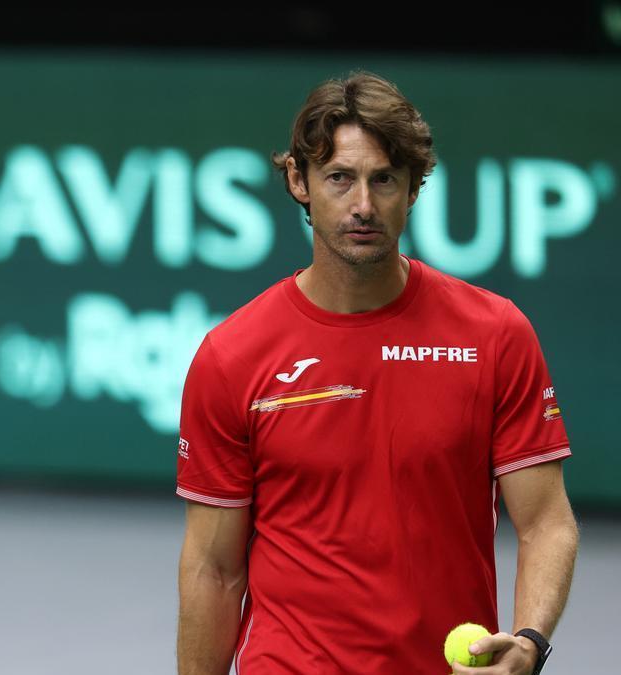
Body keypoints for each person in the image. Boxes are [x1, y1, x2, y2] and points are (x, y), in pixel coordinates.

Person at [175, 72, 577, 675]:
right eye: (340, 177)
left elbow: (547, 522)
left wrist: (529, 639)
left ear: (413, 188)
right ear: (298, 182)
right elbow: (213, 570)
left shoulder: (494, 333)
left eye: (384, 179)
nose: (363, 204)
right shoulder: (232, 355)